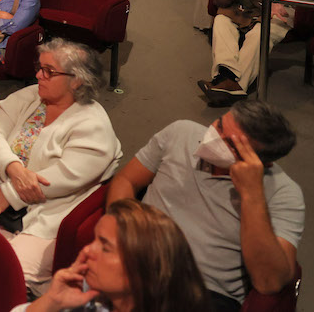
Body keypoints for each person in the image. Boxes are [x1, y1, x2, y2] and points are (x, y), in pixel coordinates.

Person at [0, 39, 121, 294]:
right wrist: (14, 169)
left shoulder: (93, 125)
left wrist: (8, 194)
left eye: (49, 71)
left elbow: (61, 179)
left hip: (44, 215)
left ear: (77, 80)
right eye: (40, 67)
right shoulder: (30, 96)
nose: (39, 75)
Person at [106, 100, 302, 310]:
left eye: (231, 144)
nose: (212, 139)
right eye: (219, 126)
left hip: (202, 294)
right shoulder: (180, 133)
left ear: (262, 163)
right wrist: (117, 235)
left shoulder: (284, 193)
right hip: (136, 263)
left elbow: (269, 282)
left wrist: (252, 195)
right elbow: (126, 181)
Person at [16, 199, 211, 312]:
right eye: (94, 240)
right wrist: (51, 300)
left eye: (105, 247)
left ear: (144, 268)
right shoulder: (90, 297)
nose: (86, 251)